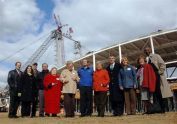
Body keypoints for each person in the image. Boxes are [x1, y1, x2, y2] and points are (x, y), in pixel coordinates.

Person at [144, 47, 173, 113]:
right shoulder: (146, 59)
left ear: (150, 50)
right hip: (151, 78)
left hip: (157, 77)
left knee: (160, 92)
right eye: (145, 50)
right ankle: (157, 108)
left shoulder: (156, 56)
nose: (147, 51)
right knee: (154, 93)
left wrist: (159, 73)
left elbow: (162, 65)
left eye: (148, 50)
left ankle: (163, 109)